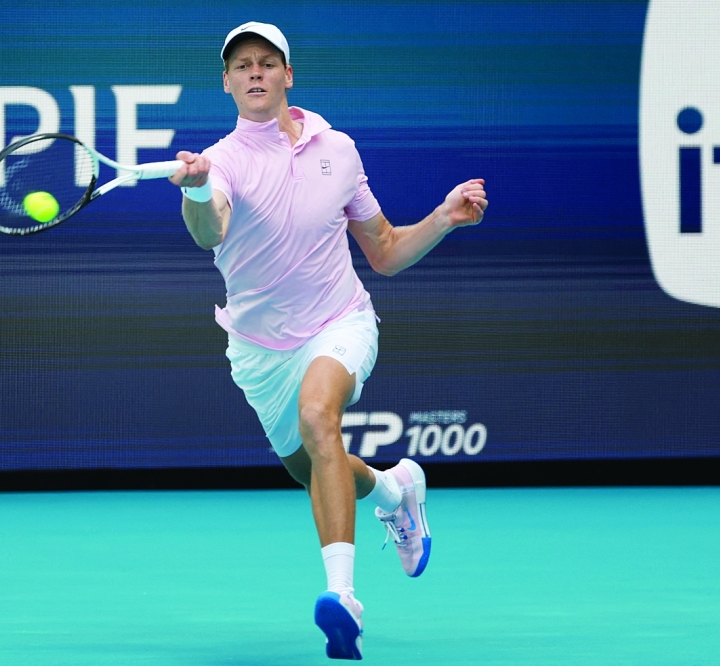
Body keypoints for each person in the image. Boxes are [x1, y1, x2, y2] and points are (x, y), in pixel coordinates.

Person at [169, 22, 487, 660]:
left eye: (266, 63)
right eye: (241, 67)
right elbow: (209, 232)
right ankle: (397, 492)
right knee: (309, 468)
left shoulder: (338, 150)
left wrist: (445, 218)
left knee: (320, 417)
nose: (254, 73)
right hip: (260, 349)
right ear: (227, 83)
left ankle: (342, 599)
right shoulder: (223, 160)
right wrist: (199, 188)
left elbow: (386, 251)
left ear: (288, 75)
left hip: (339, 320)